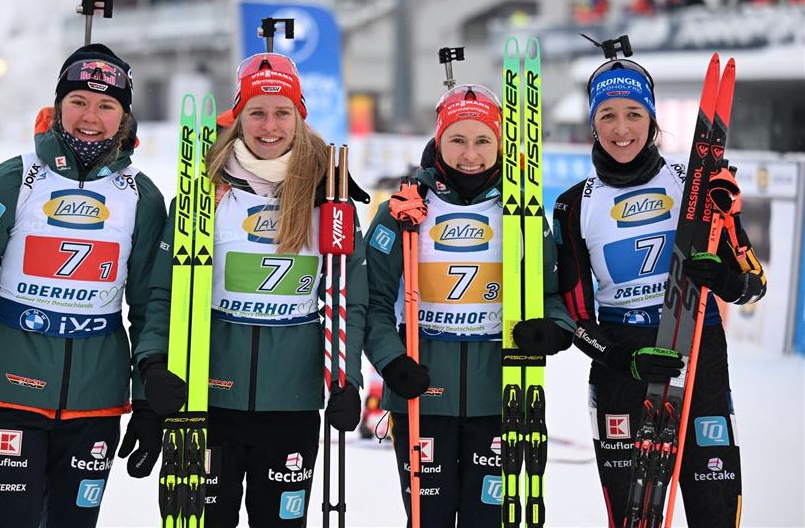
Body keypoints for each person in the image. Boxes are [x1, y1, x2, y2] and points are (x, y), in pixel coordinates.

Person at [0, 44, 169, 528]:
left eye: (107, 106)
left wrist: (147, 399)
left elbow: (150, 305)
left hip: (96, 398)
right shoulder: (17, 178)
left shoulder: (140, 196)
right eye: (78, 101)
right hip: (11, 388)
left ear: (124, 118)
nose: (91, 117)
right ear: (59, 106)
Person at [134, 51, 369, 527]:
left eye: (282, 112)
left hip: (293, 403)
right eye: (256, 112)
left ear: (299, 117)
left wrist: (347, 381)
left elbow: (350, 299)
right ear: (237, 117)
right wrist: (153, 366)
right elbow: (164, 293)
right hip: (206, 396)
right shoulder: (203, 194)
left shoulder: (330, 197)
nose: (269, 125)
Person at [552, 50, 767, 527]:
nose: (621, 127)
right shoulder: (573, 207)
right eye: (607, 115)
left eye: (634, 113)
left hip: (698, 358)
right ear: (593, 124)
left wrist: (725, 278)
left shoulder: (696, 185)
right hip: (621, 368)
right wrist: (621, 357)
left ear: (652, 120)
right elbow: (572, 319)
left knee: (714, 512)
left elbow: (753, 284)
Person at [363, 83, 574, 527]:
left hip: (500, 397)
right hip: (422, 395)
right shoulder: (405, 208)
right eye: (457, 139)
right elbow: (372, 300)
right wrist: (391, 360)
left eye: (483, 140)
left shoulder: (522, 211)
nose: (470, 154)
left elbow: (552, 293)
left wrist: (554, 329)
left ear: (500, 144)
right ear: (438, 141)